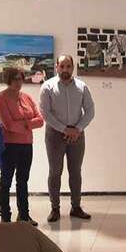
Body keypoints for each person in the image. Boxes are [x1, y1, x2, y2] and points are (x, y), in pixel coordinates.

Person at [40, 56, 95, 223]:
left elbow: (90, 111)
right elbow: (45, 113)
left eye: (68, 66)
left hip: (77, 135)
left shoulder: (82, 87)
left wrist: (77, 129)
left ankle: (76, 207)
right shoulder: (47, 86)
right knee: (55, 172)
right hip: (55, 134)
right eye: (62, 66)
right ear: (57, 67)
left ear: (73, 67)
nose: (65, 69)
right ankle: (55, 208)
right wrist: (64, 129)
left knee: (75, 172)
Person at [0, 67, 45, 226]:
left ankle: (24, 215)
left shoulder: (27, 97)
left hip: (26, 145)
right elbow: (8, 125)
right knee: (6, 181)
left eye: (20, 79)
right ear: (8, 80)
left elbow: (41, 120)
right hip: (8, 145)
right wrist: (29, 124)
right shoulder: (1, 98)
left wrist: (23, 124)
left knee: (23, 181)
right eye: (14, 79)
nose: (18, 82)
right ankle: (5, 217)